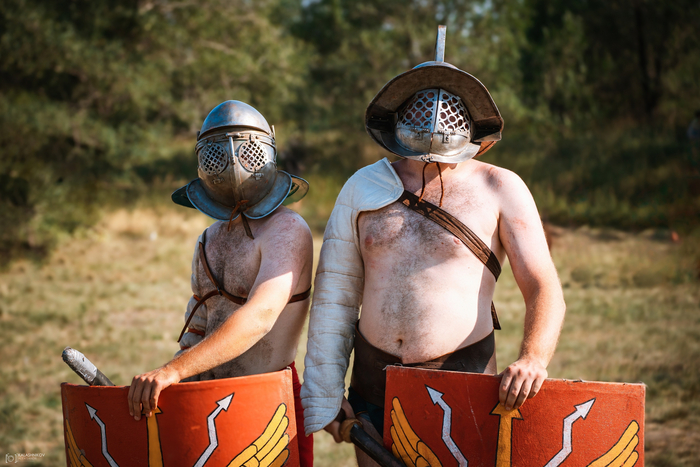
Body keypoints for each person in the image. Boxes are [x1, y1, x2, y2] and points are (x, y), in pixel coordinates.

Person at [301, 27, 566, 466]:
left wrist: (533, 359)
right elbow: (335, 297)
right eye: (421, 106)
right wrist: (326, 393)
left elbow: (544, 287)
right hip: (374, 383)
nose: (436, 115)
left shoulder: (500, 186)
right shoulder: (364, 186)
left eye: (448, 108)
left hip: (463, 378)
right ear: (399, 114)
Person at [127, 101, 315, 466]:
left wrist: (173, 371)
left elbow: (260, 317)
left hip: (266, 401)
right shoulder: (209, 238)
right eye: (217, 152)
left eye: (245, 150)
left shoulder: (287, 229)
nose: (232, 160)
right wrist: (174, 381)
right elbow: (198, 324)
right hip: (204, 397)